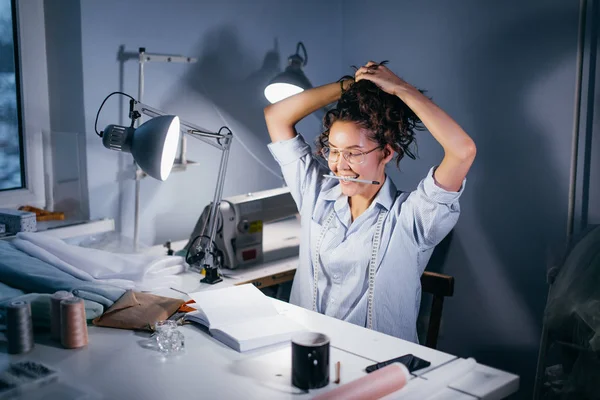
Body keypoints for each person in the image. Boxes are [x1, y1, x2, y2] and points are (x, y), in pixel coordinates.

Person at [264, 61, 476, 342]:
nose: (340, 165)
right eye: (334, 151)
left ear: (386, 153)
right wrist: (355, 86)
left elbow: (462, 151)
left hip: (378, 368)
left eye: (354, 153)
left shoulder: (412, 218)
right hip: (310, 356)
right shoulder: (315, 193)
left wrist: (400, 89)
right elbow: (276, 116)